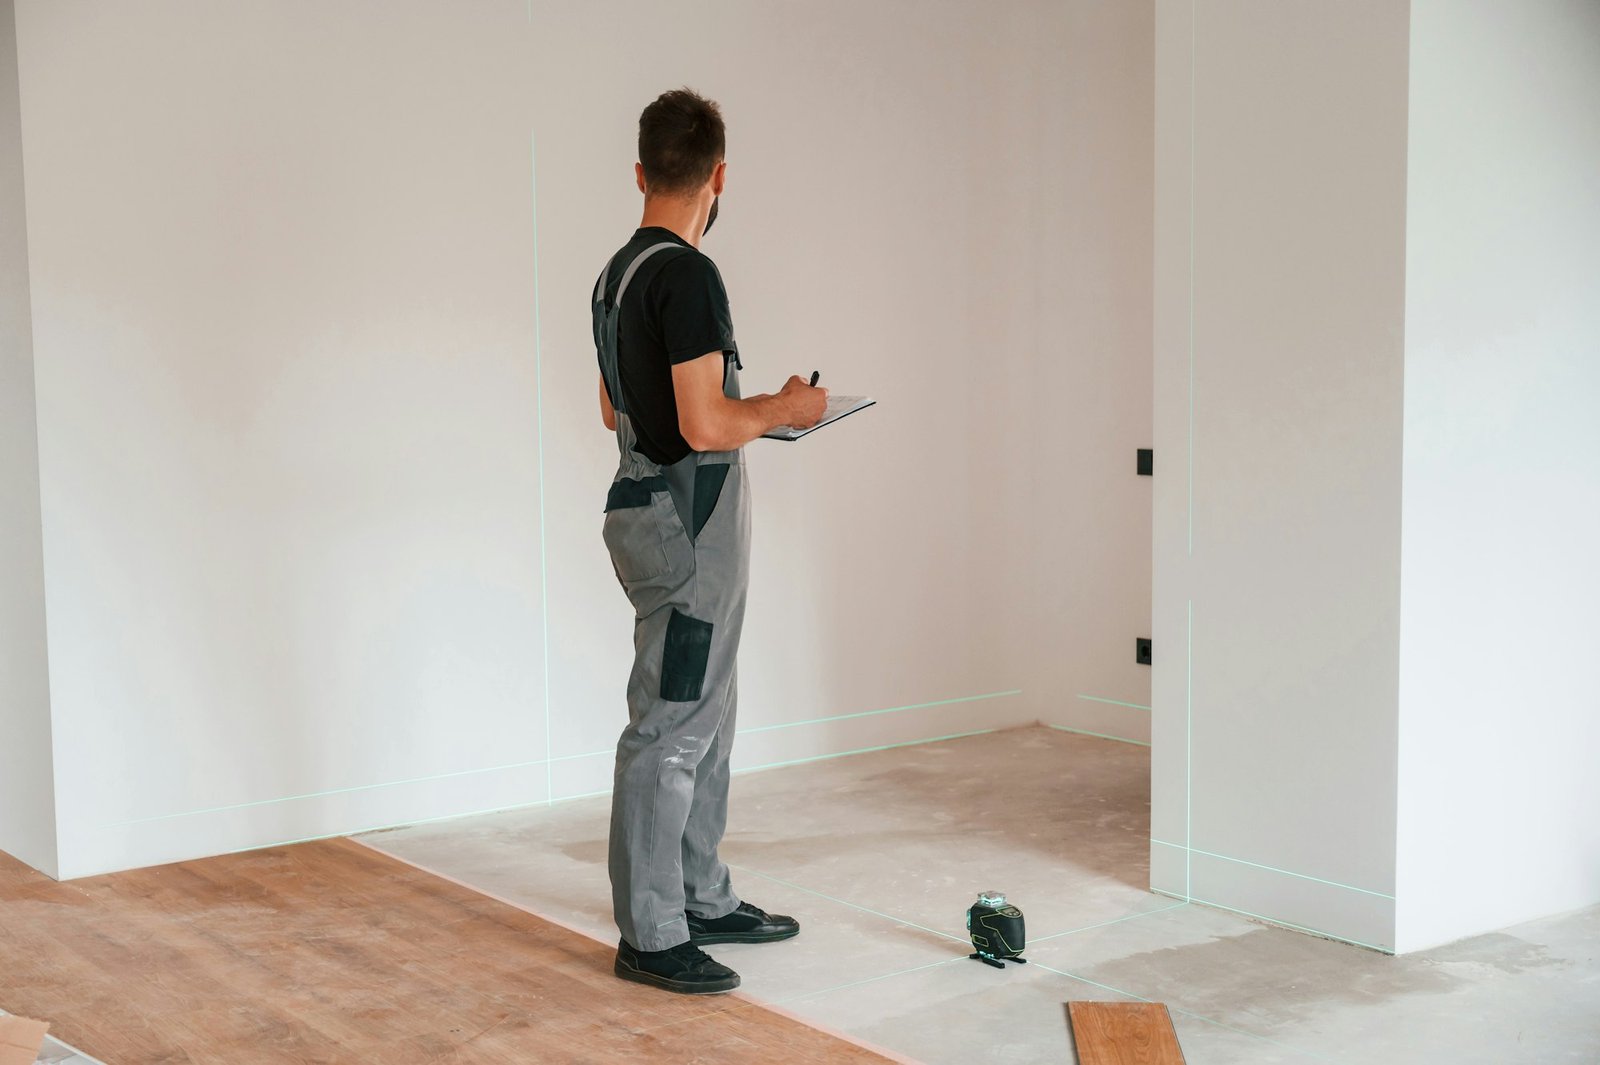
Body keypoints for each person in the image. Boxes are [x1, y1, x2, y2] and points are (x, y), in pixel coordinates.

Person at [590, 87, 828, 995]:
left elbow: (614, 407)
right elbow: (701, 420)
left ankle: (697, 891)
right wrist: (786, 408)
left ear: (642, 171)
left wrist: (739, 409)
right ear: (718, 177)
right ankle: (651, 931)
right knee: (674, 720)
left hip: (649, 509)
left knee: (705, 707)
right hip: (689, 528)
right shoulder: (686, 275)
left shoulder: (616, 275)